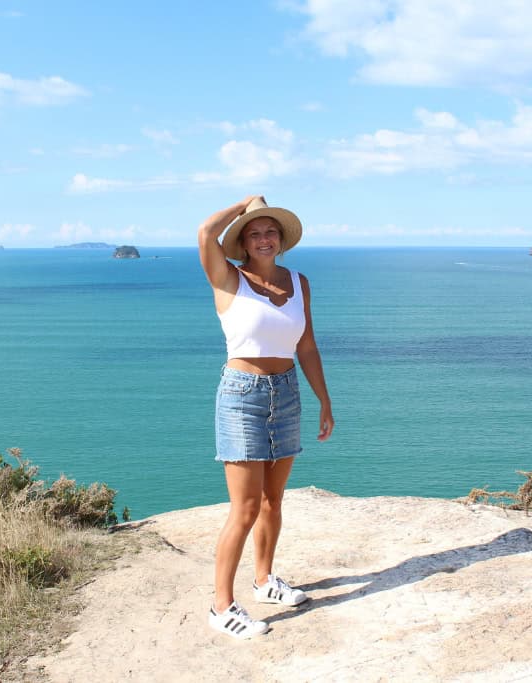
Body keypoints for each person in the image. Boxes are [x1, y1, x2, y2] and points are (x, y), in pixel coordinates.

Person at [197, 195, 334, 639]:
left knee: (274, 500)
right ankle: (221, 606)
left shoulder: (300, 282)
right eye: (253, 232)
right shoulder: (227, 279)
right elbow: (204, 234)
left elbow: (307, 345)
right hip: (242, 396)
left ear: (282, 239)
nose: (263, 238)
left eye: (269, 231)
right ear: (241, 239)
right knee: (246, 507)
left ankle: (264, 581)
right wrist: (244, 205)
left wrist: (324, 401)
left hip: (288, 392)